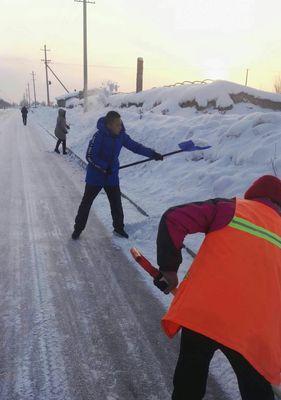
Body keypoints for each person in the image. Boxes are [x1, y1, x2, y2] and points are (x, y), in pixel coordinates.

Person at [155, 175, 281, 400]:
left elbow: (174, 218)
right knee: (256, 390)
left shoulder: (229, 208)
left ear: (252, 195)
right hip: (252, 329)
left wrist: (169, 270)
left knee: (189, 383)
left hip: (204, 315)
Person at [72, 111, 163, 240]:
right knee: (86, 203)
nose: (120, 127)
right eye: (117, 125)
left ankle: (119, 228)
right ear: (109, 125)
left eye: (120, 124)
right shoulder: (99, 136)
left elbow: (136, 147)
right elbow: (90, 156)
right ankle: (78, 229)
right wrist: (104, 167)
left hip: (111, 176)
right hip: (95, 177)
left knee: (116, 203)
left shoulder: (121, 136)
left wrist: (153, 154)